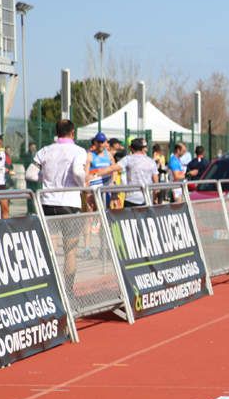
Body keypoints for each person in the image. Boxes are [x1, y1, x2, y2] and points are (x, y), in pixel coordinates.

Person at [29, 120, 89, 290]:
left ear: (57, 132)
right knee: (70, 250)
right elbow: (78, 171)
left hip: (47, 202)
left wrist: (45, 178)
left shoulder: (45, 150)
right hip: (70, 203)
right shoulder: (78, 151)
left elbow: (30, 174)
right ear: (72, 133)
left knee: (51, 249)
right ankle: (68, 292)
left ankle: (51, 291)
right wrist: (82, 184)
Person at [90, 138, 158, 207]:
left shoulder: (128, 159)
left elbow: (112, 168)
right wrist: (154, 199)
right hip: (147, 199)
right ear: (143, 149)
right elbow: (156, 183)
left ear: (131, 148)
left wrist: (96, 174)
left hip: (131, 199)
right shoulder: (151, 161)